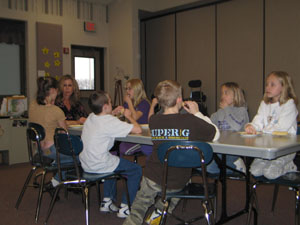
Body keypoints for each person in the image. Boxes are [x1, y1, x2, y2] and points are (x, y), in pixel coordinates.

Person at [123, 80, 220, 225]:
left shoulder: (154, 121)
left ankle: (134, 221)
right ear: (179, 100)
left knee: (139, 207)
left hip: (152, 176)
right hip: (178, 179)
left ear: (159, 101)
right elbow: (215, 134)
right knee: (176, 191)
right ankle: (159, 213)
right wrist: (197, 113)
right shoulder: (190, 120)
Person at [79, 91, 143, 218]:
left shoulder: (91, 116)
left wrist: (113, 113)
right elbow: (138, 129)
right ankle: (126, 207)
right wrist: (129, 116)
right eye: (109, 102)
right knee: (136, 170)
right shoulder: (109, 122)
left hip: (86, 164)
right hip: (99, 163)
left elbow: (104, 120)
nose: (111, 104)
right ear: (105, 106)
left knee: (113, 160)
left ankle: (107, 201)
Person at [245, 71, 298, 179]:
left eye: (272, 84)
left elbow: (281, 128)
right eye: (267, 84)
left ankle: (289, 166)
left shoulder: (289, 104)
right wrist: (252, 126)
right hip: (268, 146)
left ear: (284, 87)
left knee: (270, 174)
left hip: (285, 148)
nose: (268, 87)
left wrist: (262, 130)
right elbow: (258, 120)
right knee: (254, 171)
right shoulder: (264, 104)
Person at [29, 76, 73, 187]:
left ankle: (55, 182)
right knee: (79, 156)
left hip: (38, 150)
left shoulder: (33, 105)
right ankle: (57, 182)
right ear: (53, 90)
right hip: (52, 151)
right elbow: (64, 134)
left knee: (64, 158)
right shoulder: (56, 111)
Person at [207, 82, 249, 174]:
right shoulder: (219, 113)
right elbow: (209, 126)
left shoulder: (242, 111)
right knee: (203, 165)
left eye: (226, 93)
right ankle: (231, 167)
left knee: (210, 168)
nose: (223, 95)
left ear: (235, 96)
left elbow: (237, 127)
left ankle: (237, 166)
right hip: (220, 149)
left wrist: (227, 109)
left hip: (234, 150)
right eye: (222, 93)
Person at [115, 78, 152, 157]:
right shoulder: (128, 103)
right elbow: (124, 117)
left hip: (142, 135)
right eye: (126, 89)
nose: (127, 91)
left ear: (137, 90)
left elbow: (134, 117)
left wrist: (129, 102)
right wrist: (117, 113)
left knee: (122, 149)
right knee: (117, 146)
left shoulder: (144, 103)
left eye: (129, 89)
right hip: (132, 133)